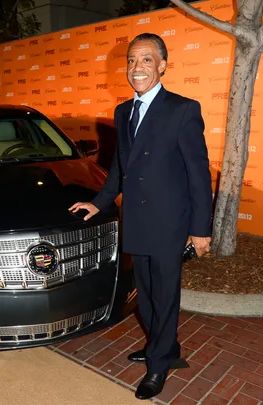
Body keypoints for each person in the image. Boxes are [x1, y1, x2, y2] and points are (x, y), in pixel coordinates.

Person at [69, 33, 212, 400]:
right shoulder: (123, 111)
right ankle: (162, 346)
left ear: (162, 65)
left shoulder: (183, 109)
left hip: (169, 222)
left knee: (165, 295)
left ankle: (160, 362)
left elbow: (198, 174)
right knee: (145, 293)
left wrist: (200, 230)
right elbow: (119, 165)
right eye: (132, 60)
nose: (137, 68)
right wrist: (100, 202)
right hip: (137, 219)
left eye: (146, 60)